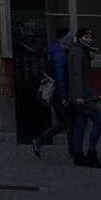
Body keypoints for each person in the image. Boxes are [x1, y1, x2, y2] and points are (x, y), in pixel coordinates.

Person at [31, 28, 76, 159]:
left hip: (54, 94)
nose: (72, 43)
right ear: (66, 40)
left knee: (63, 123)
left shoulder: (56, 50)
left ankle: (39, 141)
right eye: (70, 40)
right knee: (72, 123)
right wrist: (64, 97)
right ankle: (74, 152)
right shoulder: (61, 55)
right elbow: (61, 77)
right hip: (58, 94)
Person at [67, 26, 101, 168]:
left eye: (90, 38)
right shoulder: (78, 52)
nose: (89, 40)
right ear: (79, 38)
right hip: (82, 98)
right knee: (99, 123)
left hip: (83, 96)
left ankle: (78, 155)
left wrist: (96, 94)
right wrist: (79, 96)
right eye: (86, 37)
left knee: (81, 125)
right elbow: (77, 75)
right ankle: (91, 154)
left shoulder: (80, 51)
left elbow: (86, 77)